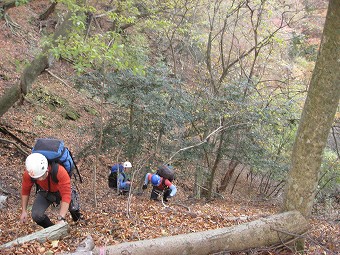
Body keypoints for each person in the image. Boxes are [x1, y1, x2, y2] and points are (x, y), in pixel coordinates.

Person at [20, 153, 81, 228]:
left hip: (61, 190)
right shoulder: (29, 174)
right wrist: (24, 211)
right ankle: (52, 230)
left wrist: (61, 218)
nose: (40, 179)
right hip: (45, 191)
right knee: (36, 215)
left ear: (46, 169)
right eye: (37, 178)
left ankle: (79, 222)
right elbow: (25, 191)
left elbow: (66, 195)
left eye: (42, 176)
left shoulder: (59, 171)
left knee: (73, 208)